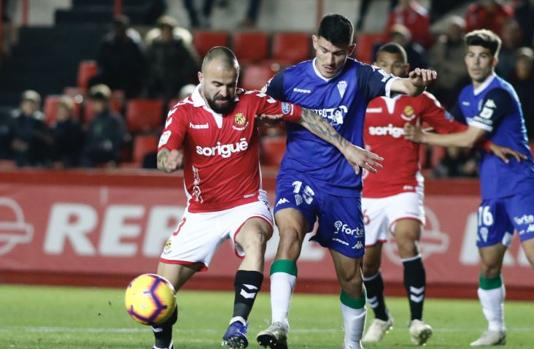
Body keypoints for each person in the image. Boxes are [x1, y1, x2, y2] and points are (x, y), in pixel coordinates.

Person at [152, 46, 381, 349]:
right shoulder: (183, 112)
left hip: (246, 203)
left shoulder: (251, 102)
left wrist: (345, 146)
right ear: (201, 78)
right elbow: (165, 150)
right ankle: (161, 345)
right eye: (217, 85)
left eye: (231, 84)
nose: (225, 92)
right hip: (200, 212)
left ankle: (238, 324)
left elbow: (305, 115)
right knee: (159, 295)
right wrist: (168, 159)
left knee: (256, 238)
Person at [256, 14, 438, 349]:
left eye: (338, 53)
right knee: (290, 234)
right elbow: (254, 109)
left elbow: (406, 87)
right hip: (300, 175)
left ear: (351, 49)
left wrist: (419, 81)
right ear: (315, 42)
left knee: (352, 278)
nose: (329, 60)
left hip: (343, 187)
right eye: (324, 51)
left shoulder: (363, 76)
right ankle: (278, 323)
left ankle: (352, 344)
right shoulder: (288, 80)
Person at [404, 29, 534, 349]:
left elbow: (467, 138)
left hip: (521, 184)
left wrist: (424, 137)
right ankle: (496, 329)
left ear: (494, 60)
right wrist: (418, 96)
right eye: (471, 55)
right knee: (488, 263)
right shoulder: (466, 94)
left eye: (483, 56)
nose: (476, 62)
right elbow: (458, 130)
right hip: (491, 190)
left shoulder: (499, 93)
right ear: (465, 59)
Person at [360, 42, 522, 347]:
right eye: (383, 66)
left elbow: (452, 129)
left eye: (396, 66)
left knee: (407, 240)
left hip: (405, 185)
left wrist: (488, 145)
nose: (390, 71)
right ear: (374, 69)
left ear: (405, 70)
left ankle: (417, 319)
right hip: (368, 191)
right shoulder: (363, 99)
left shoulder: (420, 101)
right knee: (367, 264)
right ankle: (381, 316)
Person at [81, 84, 127, 167]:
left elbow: (119, 141)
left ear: (107, 102)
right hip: (93, 154)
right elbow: (89, 141)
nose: (97, 103)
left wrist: (114, 159)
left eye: (100, 100)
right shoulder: (93, 120)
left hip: (109, 154)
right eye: (95, 100)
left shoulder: (115, 119)